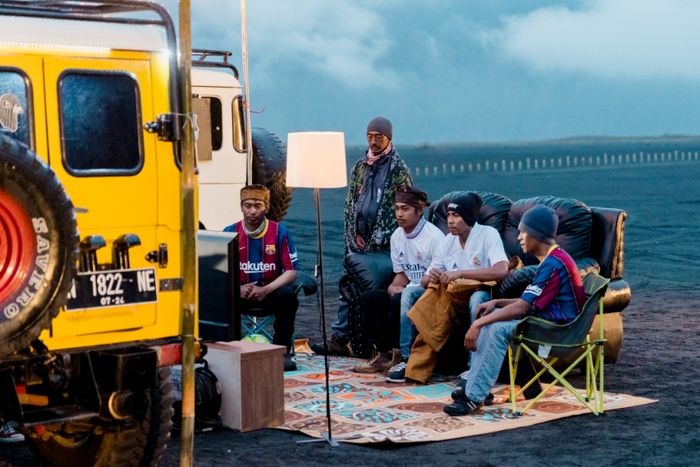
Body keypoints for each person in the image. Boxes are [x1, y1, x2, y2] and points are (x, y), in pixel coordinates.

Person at [444, 204, 586, 416]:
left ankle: (474, 396)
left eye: (523, 231)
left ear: (537, 234)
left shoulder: (552, 265)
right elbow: (527, 301)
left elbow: (522, 307)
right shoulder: (555, 259)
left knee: (495, 328)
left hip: (558, 331)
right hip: (550, 323)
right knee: (492, 318)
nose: (519, 237)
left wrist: (477, 323)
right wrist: (497, 303)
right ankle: (482, 386)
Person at [311, 117, 412, 356]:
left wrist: (374, 239)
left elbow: (401, 209)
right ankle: (340, 337)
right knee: (347, 286)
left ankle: (371, 345)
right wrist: (352, 236)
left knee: (370, 293)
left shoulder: (399, 170)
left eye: (379, 137)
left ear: (389, 138)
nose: (374, 141)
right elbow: (350, 205)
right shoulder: (360, 166)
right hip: (357, 242)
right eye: (370, 136)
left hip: (384, 247)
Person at [387, 192, 509, 383]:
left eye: (456, 216)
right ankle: (406, 357)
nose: (450, 221)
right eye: (448, 216)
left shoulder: (487, 234)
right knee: (410, 292)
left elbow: (501, 269)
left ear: (468, 217)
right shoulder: (447, 242)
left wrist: (461, 273)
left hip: (478, 291)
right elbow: (426, 280)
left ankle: (472, 367)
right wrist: (431, 277)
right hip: (449, 294)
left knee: (477, 300)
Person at [351, 186, 444, 373]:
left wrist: (402, 291)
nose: (399, 214)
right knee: (370, 298)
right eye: (397, 208)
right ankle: (382, 354)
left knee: (399, 299)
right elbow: (401, 275)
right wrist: (394, 286)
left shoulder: (435, 237)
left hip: (429, 292)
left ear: (419, 211)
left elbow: (436, 278)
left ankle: (400, 355)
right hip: (408, 289)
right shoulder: (397, 237)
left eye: (405, 209)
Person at [224, 185, 299, 371]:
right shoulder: (229, 232)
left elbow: (291, 271)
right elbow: (220, 272)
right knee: (216, 295)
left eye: (257, 205)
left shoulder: (280, 232)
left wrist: (266, 289)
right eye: (247, 205)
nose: (252, 211)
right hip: (240, 294)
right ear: (241, 207)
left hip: (269, 292)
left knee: (288, 296)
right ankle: (226, 349)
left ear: (266, 207)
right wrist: (236, 288)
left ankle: (281, 352)